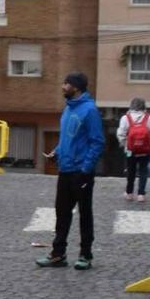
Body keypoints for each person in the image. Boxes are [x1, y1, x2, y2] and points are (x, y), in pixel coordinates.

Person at [37, 72, 103, 270]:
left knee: (85, 214)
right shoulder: (68, 109)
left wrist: (86, 168)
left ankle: (85, 254)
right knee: (62, 213)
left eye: (67, 83)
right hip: (65, 170)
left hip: (81, 172)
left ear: (77, 87)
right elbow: (68, 138)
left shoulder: (89, 110)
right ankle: (58, 254)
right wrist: (56, 151)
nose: (63, 86)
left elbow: (97, 142)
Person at [117, 97, 150, 203]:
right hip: (146, 149)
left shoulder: (125, 118)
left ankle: (129, 193)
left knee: (131, 170)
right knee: (143, 170)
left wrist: (125, 144)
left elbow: (121, 134)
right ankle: (141, 194)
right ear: (144, 106)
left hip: (130, 150)